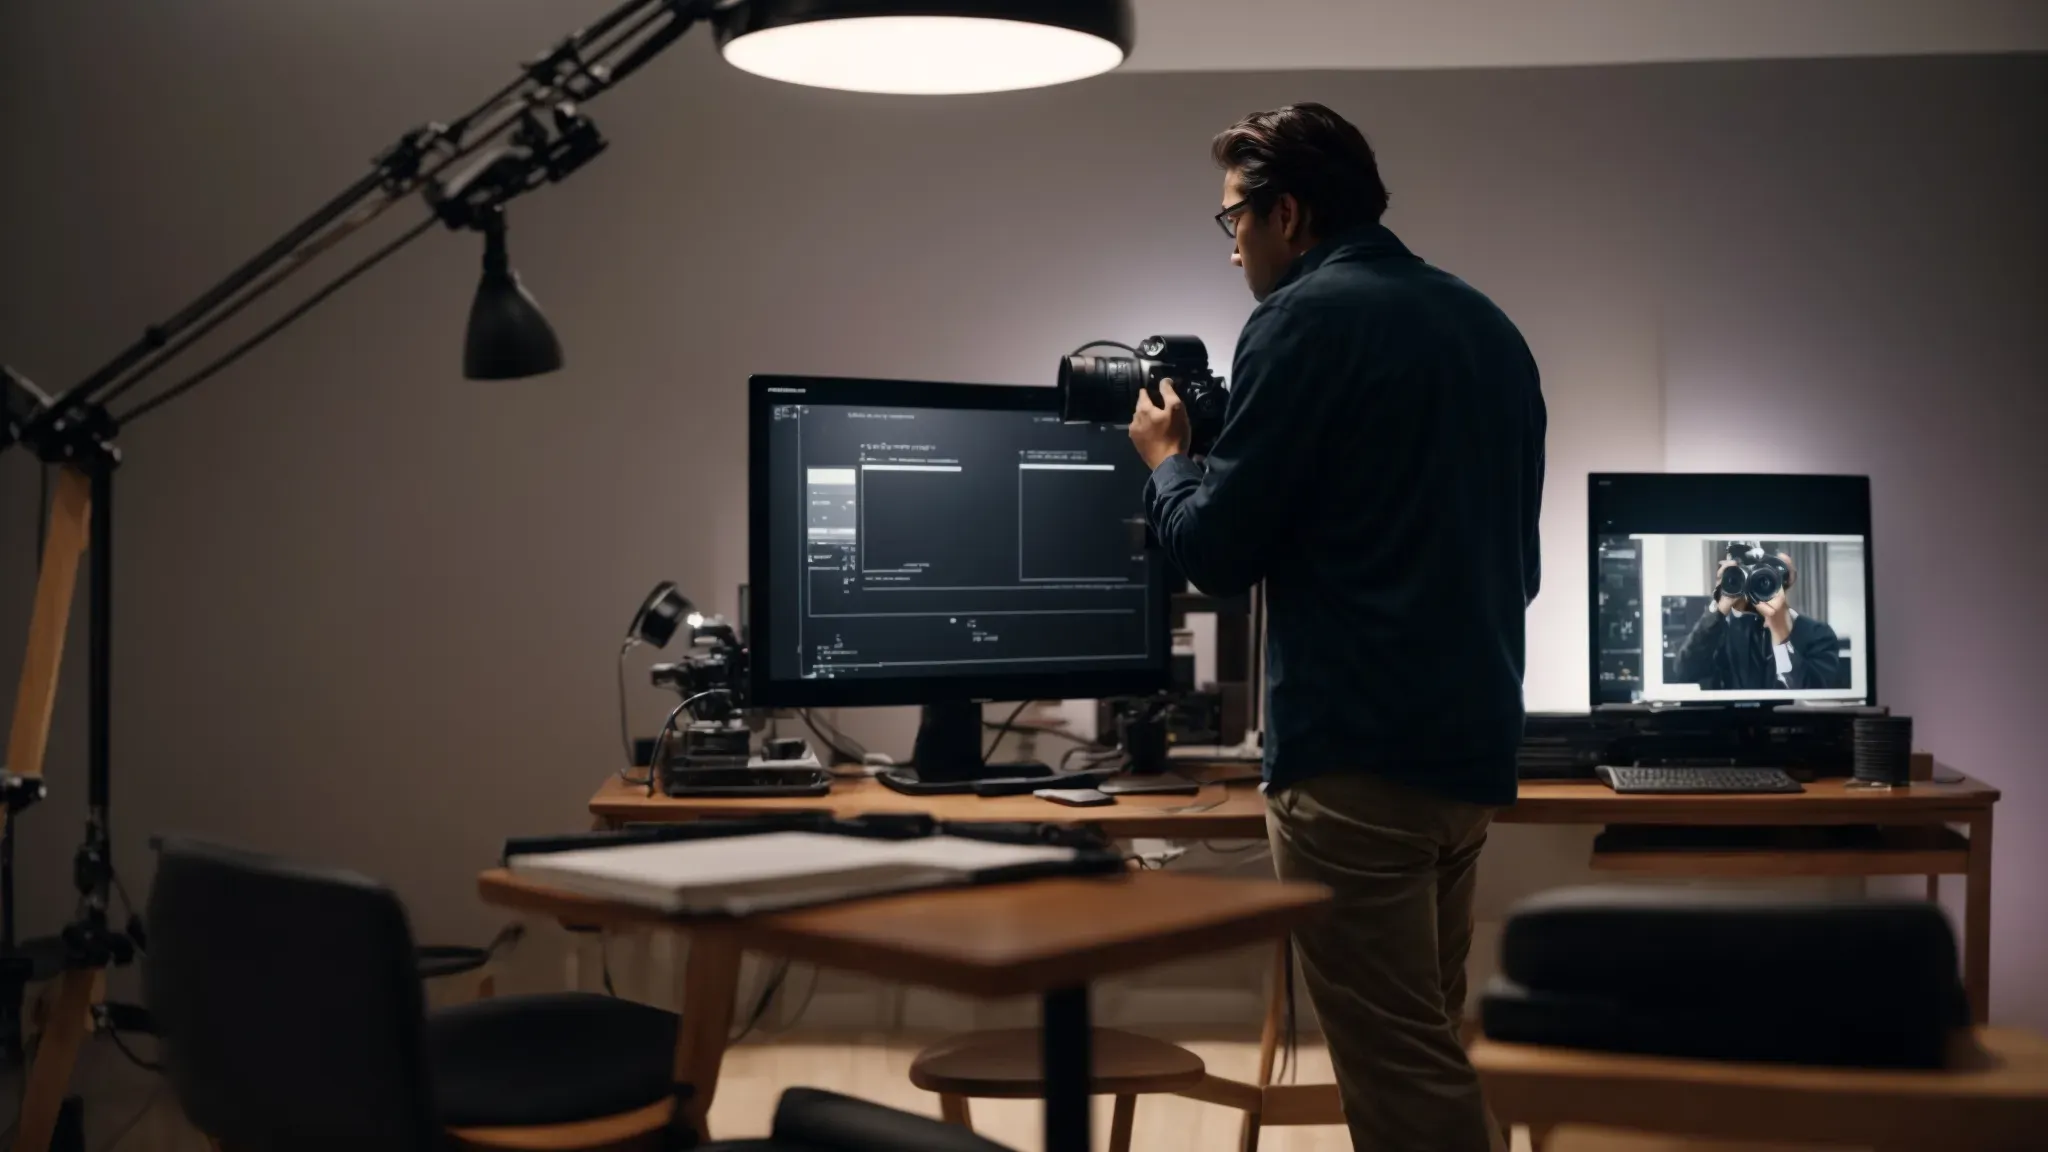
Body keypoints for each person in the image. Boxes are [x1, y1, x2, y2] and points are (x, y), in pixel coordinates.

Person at [1127, 103, 1545, 1152]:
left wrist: (1169, 464)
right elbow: (1514, 563)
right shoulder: (1486, 325)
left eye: (1231, 224)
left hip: (1354, 763)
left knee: (1400, 1077)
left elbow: (1218, 551)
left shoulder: (1300, 319)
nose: (1230, 252)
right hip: (1467, 754)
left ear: (1289, 214)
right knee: (1426, 1040)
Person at [1673, 550, 1844, 690]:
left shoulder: (1818, 635)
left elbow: (1814, 693)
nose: (1759, 580)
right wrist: (1720, 604)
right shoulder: (1723, 633)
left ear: (1789, 579)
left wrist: (1780, 630)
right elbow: (1684, 672)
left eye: (1773, 571)